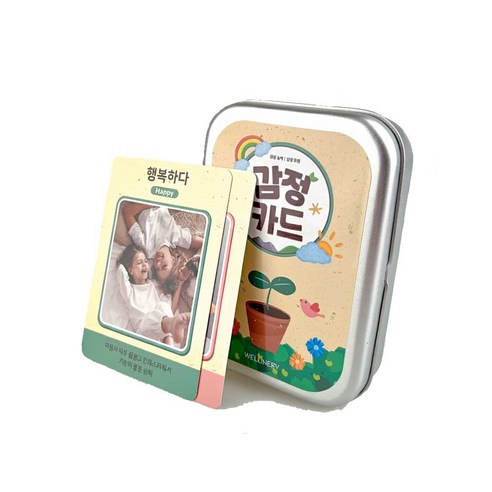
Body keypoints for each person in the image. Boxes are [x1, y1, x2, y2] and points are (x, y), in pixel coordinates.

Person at [117, 244, 190, 348]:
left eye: (146, 261)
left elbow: (170, 309)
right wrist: (125, 262)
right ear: (131, 270)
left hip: (161, 330)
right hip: (144, 331)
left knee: (163, 306)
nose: (144, 264)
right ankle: (171, 334)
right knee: (152, 319)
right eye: (139, 262)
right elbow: (120, 271)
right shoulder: (129, 290)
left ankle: (170, 342)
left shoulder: (154, 285)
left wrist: (180, 284)